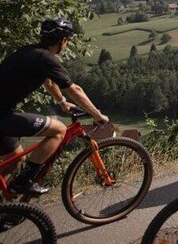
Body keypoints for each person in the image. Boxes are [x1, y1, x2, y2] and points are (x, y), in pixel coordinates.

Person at [0, 18, 109, 196]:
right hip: (2, 115)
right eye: (67, 40)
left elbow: (48, 81)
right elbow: (74, 90)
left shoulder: (31, 51)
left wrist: (62, 102)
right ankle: (25, 181)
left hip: (3, 113)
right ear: (63, 41)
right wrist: (98, 115)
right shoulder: (45, 58)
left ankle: (6, 205)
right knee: (59, 130)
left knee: (15, 160)